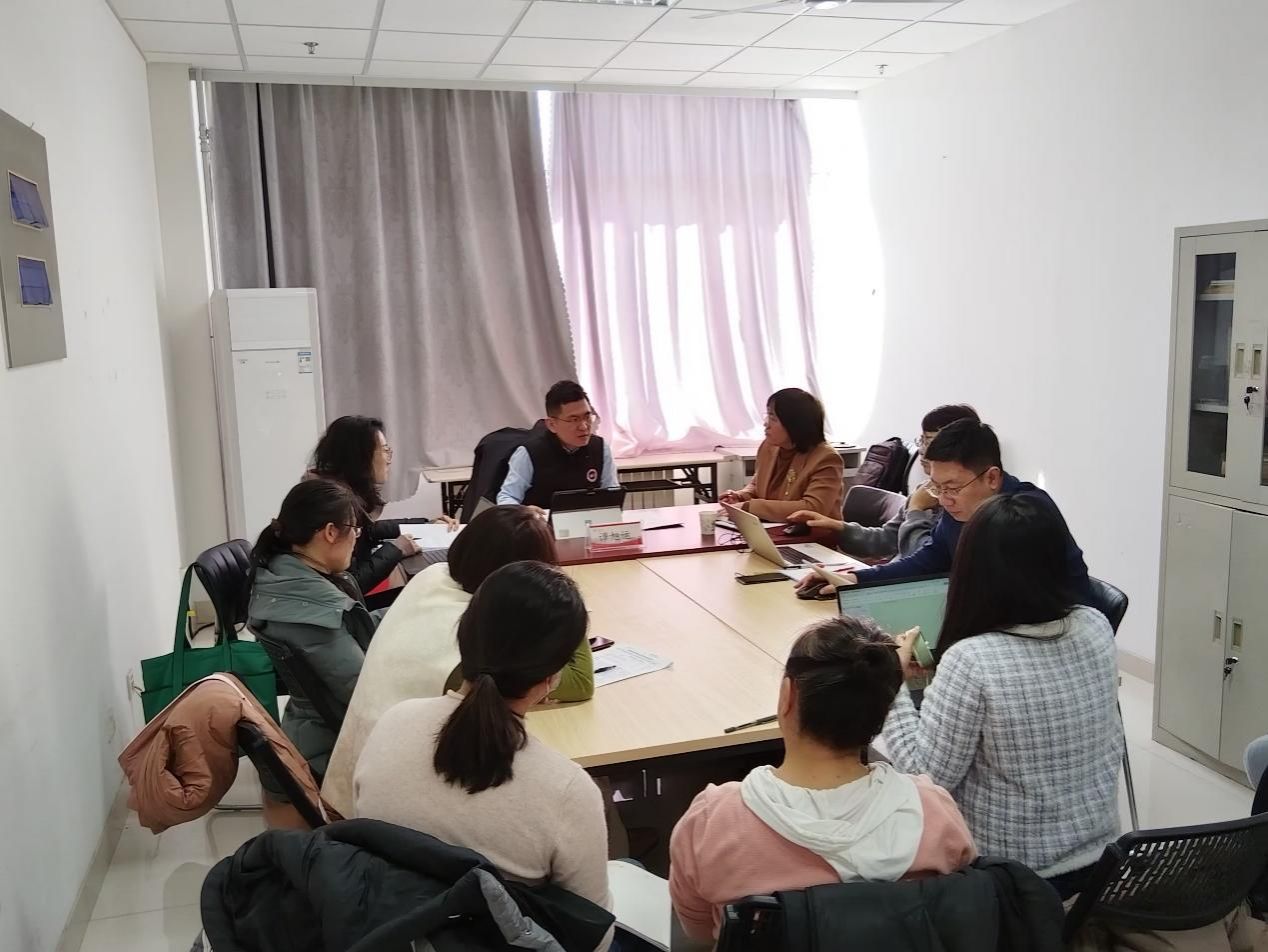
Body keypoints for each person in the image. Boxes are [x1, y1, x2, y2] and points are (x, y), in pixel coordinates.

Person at [353, 561, 614, 949]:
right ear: (552, 677)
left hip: (389, 933)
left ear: (464, 639)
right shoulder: (566, 790)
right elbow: (595, 939)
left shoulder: (392, 724)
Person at [668, 616, 976, 942]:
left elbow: (701, 933)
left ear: (787, 696)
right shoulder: (935, 813)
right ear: (884, 713)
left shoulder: (713, 821)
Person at [882, 493, 1122, 901]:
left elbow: (925, 778)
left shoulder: (972, 660)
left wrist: (893, 682)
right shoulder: (1095, 625)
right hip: (1100, 864)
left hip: (1013, 881)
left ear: (972, 572)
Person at [322, 504, 596, 817]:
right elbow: (579, 682)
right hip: (396, 800)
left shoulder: (432, 578)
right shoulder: (478, 624)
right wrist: (563, 599)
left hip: (368, 774)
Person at [796, 418, 1092, 601]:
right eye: (936, 487)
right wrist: (855, 579)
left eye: (952, 487)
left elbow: (1010, 600)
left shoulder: (1027, 515)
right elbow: (930, 559)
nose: (944, 499)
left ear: (992, 478)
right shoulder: (961, 510)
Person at [247, 478, 380, 781]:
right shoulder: (312, 611)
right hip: (331, 746)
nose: (357, 538)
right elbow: (364, 694)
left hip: (318, 725)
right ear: (331, 532)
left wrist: (405, 612)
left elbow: (355, 629)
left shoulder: (284, 572)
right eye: (355, 530)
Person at [788, 404, 979, 560]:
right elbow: (887, 539)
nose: (922, 450)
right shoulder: (925, 489)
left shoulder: (964, 502)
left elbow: (925, 561)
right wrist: (838, 528)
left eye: (929, 442)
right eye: (921, 440)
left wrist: (916, 510)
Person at [309, 415, 454, 594]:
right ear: (360, 457)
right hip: (344, 605)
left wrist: (425, 525)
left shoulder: (331, 490)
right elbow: (350, 585)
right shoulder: (332, 504)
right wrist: (396, 549)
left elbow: (368, 530)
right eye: (385, 450)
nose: (389, 459)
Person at [719, 388, 844, 521]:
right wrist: (740, 496)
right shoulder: (769, 446)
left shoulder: (826, 458)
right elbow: (758, 485)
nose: (765, 423)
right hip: (773, 528)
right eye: (767, 415)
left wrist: (749, 507)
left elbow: (812, 508)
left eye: (773, 418)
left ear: (794, 424)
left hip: (812, 532)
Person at [497, 380, 619, 512]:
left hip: (589, 521)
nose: (584, 426)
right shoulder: (529, 453)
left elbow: (612, 493)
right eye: (574, 420)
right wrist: (523, 512)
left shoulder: (600, 448)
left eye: (587, 417)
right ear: (552, 425)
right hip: (542, 523)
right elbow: (507, 497)